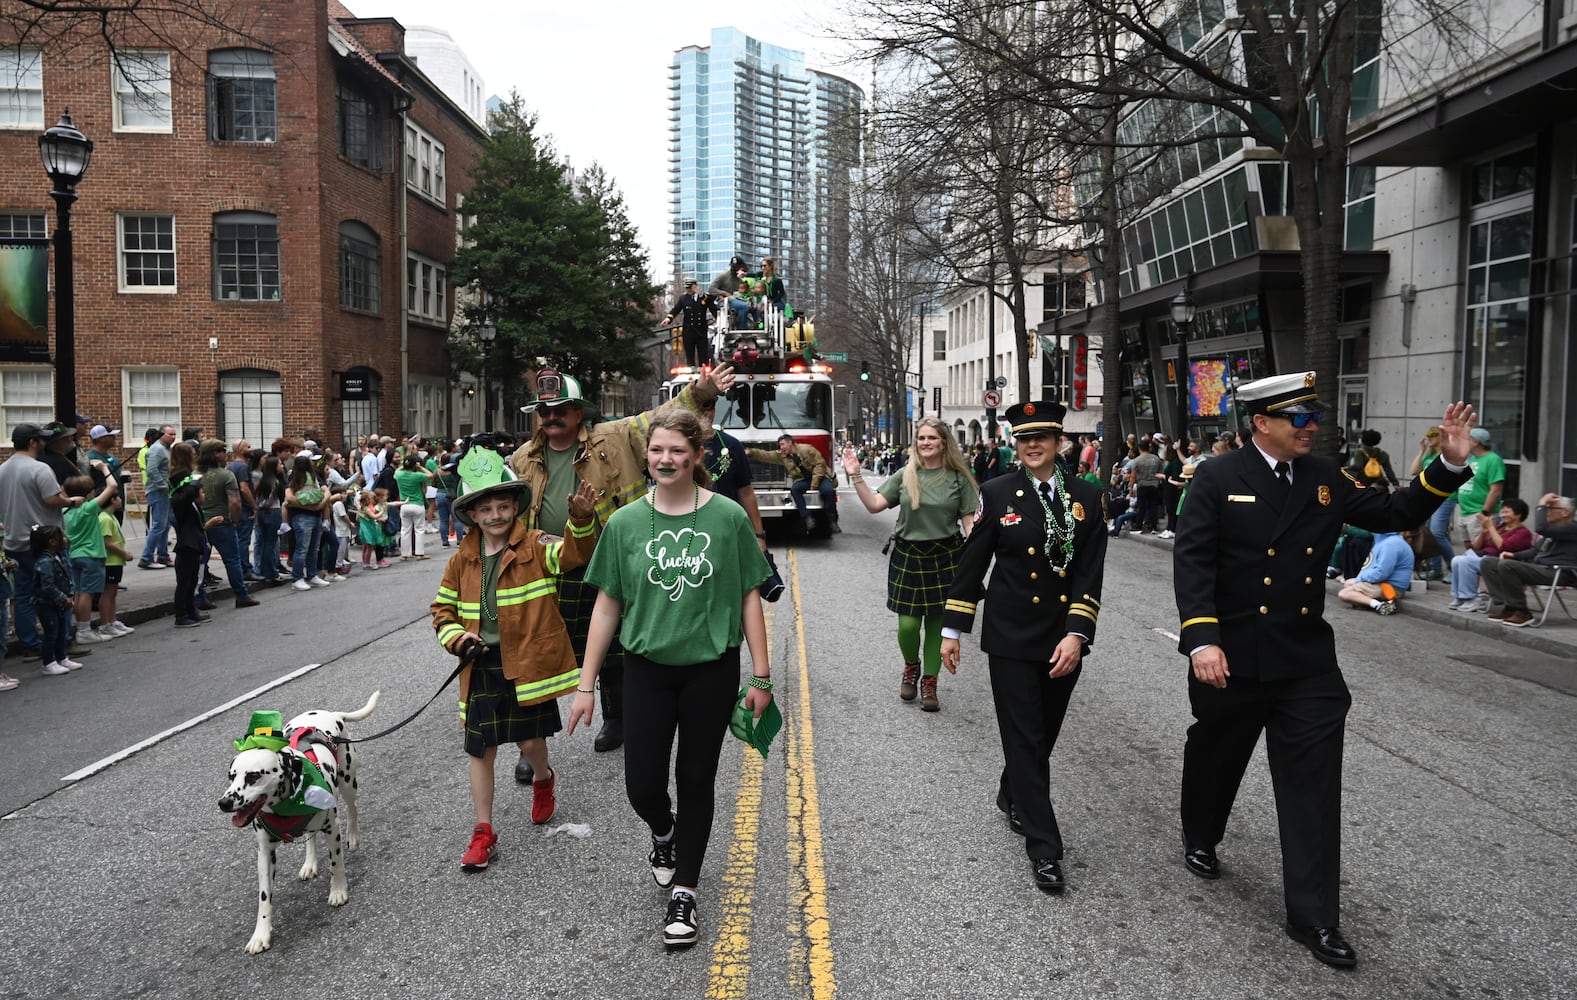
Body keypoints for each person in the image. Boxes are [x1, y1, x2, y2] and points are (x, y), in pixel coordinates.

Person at [1172, 371, 1476, 969]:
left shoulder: (1323, 476)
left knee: (1312, 789)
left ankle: (1314, 917)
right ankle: (1201, 832)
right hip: (1230, 659)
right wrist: (1201, 639)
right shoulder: (1216, 477)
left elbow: (1395, 510)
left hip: (1304, 660)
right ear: (1262, 423)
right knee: (1218, 753)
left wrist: (1447, 464)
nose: (1312, 428)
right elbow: (1194, 561)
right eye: (1300, 419)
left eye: (1314, 419)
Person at [568, 407, 773, 950]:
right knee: (642, 785)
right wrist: (586, 684)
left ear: (697, 456)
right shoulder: (625, 523)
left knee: (697, 778)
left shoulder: (727, 517)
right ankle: (663, 833)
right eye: (657, 450)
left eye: (677, 451)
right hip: (646, 670)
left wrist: (762, 675)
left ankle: (686, 889)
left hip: (710, 670)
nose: (666, 459)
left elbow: (750, 596)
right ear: (647, 455)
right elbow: (608, 606)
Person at [510, 364, 734, 765]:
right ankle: (534, 741)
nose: (551, 416)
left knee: (614, 647)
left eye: (561, 408)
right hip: (548, 563)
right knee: (538, 651)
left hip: (610, 554)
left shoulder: (614, 437)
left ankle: (617, 717)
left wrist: (701, 390)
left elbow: (663, 417)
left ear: (579, 412)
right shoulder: (522, 457)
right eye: (544, 411)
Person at [940, 400, 1107, 894]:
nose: (1031, 446)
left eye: (1042, 438)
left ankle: (1012, 790)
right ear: (1015, 444)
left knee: (1044, 735)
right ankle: (1045, 848)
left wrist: (1077, 635)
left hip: (1062, 636)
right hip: (1011, 636)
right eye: (1022, 439)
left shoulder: (1087, 497)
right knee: (1026, 738)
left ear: (1060, 443)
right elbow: (973, 564)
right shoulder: (997, 492)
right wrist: (953, 630)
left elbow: (1089, 572)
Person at [430, 444, 600, 872]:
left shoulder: (536, 544)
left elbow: (572, 556)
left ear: (515, 507)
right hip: (481, 665)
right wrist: (457, 639)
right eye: (485, 509)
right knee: (480, 749)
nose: (495, 516)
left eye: (503, 506)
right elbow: (442, 611)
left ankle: (543, 779)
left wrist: (580, 519)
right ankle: (483, 832)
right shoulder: (460, 560)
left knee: (528, 742)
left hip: (526, 663)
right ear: (471, 515)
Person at [843, 418, 979, 711]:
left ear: (944, 442)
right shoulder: (906, 474)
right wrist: (855, 475)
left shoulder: (959, 478)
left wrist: (977, 560)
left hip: (946, 556)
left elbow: (970, 525)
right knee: (907, 625)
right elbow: (874, 505)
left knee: (937, 625)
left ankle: (930, 682)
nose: (926, 442)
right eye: (921, 438)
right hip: (908, 555)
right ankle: (911, 666)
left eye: (932, 438)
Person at [0, 423, 80, 657]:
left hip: (15, 540)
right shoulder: (40, 469)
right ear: (33, 442)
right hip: (46, 541)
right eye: (41, 439)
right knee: (60, 590)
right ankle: (62, 642)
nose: (45, 443)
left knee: (23, 595)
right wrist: (72, 501)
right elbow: (52, 500)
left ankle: (30, 645)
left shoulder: (3, 469)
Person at [1481, 494, 1577, 627]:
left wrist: (1542, 503)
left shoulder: (1572, 528)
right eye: (1546, 508)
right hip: (1540, 568)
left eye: (1550, 508)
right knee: (1488, 562)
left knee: (1508, 566)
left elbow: (1541, 528)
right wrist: (1514, 555)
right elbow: (1534, 551)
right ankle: (1508, 606)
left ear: (1565, 513)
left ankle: (1522, 612)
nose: (1546, 512)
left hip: (1558, 573)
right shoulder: (1553, 530)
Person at [198, 440, 259, 609]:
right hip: (222, 523)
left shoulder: (195, 474)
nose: (226, 455)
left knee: (201, 563)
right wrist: (234, 520)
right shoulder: (226, 475)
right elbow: (235, 502)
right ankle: (241, 595)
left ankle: (200, 597)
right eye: (223, 451)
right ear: (216, 454)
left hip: (200, 524)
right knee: (232, 560)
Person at [61, 472, 120, 644]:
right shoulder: (88, 508)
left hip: (74, 554)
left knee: (79, 593)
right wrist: (103, 468)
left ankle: (82, 627)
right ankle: (84, 630)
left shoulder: (64, 509)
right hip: (91, 555)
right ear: (87, 493)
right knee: (87, 594)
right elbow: (112, 486)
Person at [1448, 498, 1533, 612]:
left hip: (1501, 562)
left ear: (1518, 515)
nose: (1503, 515)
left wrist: (1491, 527)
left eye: (1507, 512)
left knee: (1465, 562)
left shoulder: (1523, 532)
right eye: (1502, 511)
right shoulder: (1500, 528)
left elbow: (1503, 547)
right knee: (1457, 560)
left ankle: (1471, 598)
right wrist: (1484, 530)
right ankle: (1460, 596)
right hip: (1484, 557)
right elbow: (1476, 546)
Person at [747, 434, 839, 534]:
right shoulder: (783, 456)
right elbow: (767, 455)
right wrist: (751, 452)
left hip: (821, 477)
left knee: (828, 491)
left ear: (790, 443)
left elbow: (820, 465)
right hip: (804, 479)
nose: (781, 447)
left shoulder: (807, 450)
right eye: (780, 445)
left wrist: (814, 484)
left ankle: (832, 520)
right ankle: (807, 518)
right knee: (795, 489)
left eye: (782, 444)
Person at [169, 442, 216, 627]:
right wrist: (193, 485)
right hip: (187, 542)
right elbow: (184, 496)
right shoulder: (180, 500)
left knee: (193, 579)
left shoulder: (191, 504)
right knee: (185, 581)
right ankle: (181, 615)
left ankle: (191, 610)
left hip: (194, 538)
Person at [31, 524, 81, 675]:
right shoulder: (45, 561)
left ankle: (62, 657)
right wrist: (63, 599)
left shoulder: (57, 557)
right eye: (62, 537)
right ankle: (48, 662)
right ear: (52, 542)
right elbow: (48, 586)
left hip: (57, 602)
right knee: (51, 632)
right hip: (45, 603)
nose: (66, 540)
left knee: (61, 630)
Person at [1334, 530, 1413, 614]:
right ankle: (1371, 602)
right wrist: (1359, 580)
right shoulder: (1387, 541)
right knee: (1348, 584)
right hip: (1384, 583)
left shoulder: (1390, 544)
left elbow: (1381, 573)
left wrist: (1359, 579)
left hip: (1391, 587)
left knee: (1344, 594)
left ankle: (1379, 605)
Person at [1454, 427, 1505, 555]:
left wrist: (1484, 513)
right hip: (1464, 511)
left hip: (1479, 513)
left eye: (1467, 439)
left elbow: (1496, 490)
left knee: (1479, 552)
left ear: (1476, 442)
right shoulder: (1472, 458)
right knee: (1469, 549)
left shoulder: (1493, 460)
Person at [283, 453, 329, 592]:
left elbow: (325, 490)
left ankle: (312, 574)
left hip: (315, 515)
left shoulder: (314, 476)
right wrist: (314, 506)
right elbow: (289, 497)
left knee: (313, 549)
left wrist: (319, 506)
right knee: (302, 548)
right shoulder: (295, 478)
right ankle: (297, 578)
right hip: (302, 516)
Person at [1411, 427, 1448, 580]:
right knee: (1430, 534)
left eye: (1433, 435)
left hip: (1445, 498)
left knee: (1437, 533)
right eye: (1428, 435)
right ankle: (1436, 568)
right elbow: (1413, 471)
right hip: (1428, 498)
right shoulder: (1429, 456)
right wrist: (1422, 451)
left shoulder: (1445, 455)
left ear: (1441, 437)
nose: (1429, 438)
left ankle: (1452, 567)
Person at [96, 494, 135, 637]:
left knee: (112, 593)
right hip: (110, 561)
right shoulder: (105, 519)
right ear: (112, 500)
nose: (121, 499)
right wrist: (123, 553)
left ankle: (112, 620)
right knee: (108, 593)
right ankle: (105, 623)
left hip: (115, 561)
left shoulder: (110, 516)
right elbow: (107, 542)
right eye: (118, 497)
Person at [138, 425, 177, 569]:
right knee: (159, 525)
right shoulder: (157, 449)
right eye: (169, 434)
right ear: (161, 434)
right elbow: (152, 470)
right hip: (158, 491)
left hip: (163, 491)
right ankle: (146, 557)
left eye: (174, 434)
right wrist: (163, 486)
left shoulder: (165, 449)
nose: (172, 437)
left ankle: (162, 555)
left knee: (164, 525)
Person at [666, 279, 714, 368]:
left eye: (690, 288)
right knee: (689, 356)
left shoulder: (704, 297)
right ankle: (691, 371)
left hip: (701, 331)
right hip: (689, 331)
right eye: (687, 288)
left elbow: (712, 306)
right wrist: (669, 318)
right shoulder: (684, 298)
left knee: (703, 356)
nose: (688, 290)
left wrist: (702, 295)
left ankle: (704, 373)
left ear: (695, 287)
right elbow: (676, 309)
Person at [394, 452, 434, 560]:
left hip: (404, 504)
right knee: (419, 529)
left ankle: (405, 554)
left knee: (405, 530)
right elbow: (431, 475)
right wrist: (420, 467)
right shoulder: (417, 476)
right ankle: (419, 553)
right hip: (417, 504)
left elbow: (396, 471)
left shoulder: (399, 475)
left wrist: (403, 465)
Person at [707, 254, 749, 330]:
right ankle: (742, 330)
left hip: (736, 300)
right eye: (733, 266)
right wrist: (724, 293)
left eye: (736, 267)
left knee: (750, 306)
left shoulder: (740, 279)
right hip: (724, 301)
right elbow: (711, 289)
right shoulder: (723, 275)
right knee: (744, 307)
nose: (734, 268)